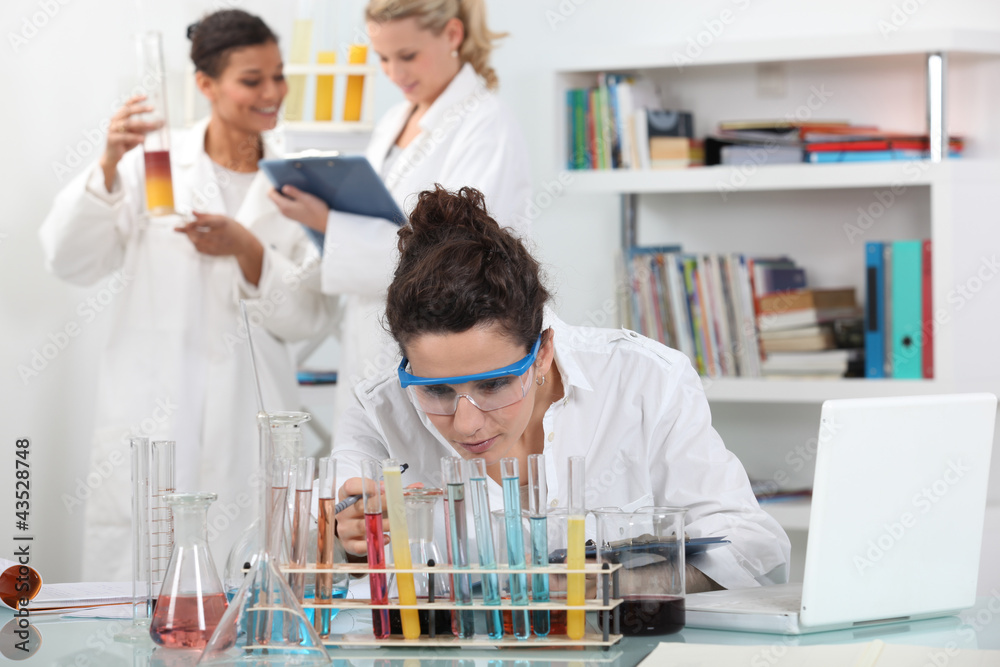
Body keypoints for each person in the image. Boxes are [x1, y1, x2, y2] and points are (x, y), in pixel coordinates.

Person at [331, 186, 791, 592]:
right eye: (436, 390)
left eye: (494, 384)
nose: (466, 424)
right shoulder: (378, 411)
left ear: (543, 351)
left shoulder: (646, 380)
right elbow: (330, 559)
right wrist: (344, 542)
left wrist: (608, 587)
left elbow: (753, 546)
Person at [39, 10, 337, 580]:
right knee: (145, 598)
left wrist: (247, 249)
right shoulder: (152, 163)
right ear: (206, 84)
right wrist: (107, 164)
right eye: (252, 80)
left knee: (251, 591)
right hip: (155, 416)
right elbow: (69, 260)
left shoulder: (300, 179)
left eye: (278, 76)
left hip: (248, 424)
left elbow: (308, 317)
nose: (272, 92)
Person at [270, 0, 532, 430]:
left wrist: (330, 225)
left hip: (446, 351)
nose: (394, 73)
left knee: (429, 460)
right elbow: (386, 225)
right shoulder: (395, 120)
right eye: (383, 58)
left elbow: (461, 256)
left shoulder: (485, 121)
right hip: (372, 341)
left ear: (452, 35)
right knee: (369, 457)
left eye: (407, 55)